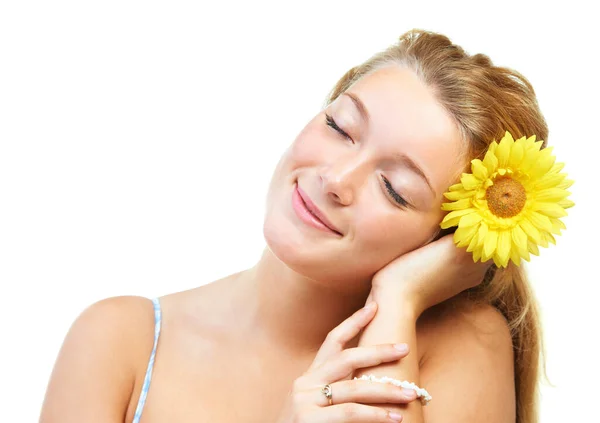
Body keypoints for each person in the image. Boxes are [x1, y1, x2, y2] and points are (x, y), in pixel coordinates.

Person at [40, 29, 547, 423]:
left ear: (445, 242)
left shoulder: (464, 344)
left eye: (394, 188)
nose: (335, 178)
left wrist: (399, 297)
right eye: (340, 128)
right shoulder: (119, 339)